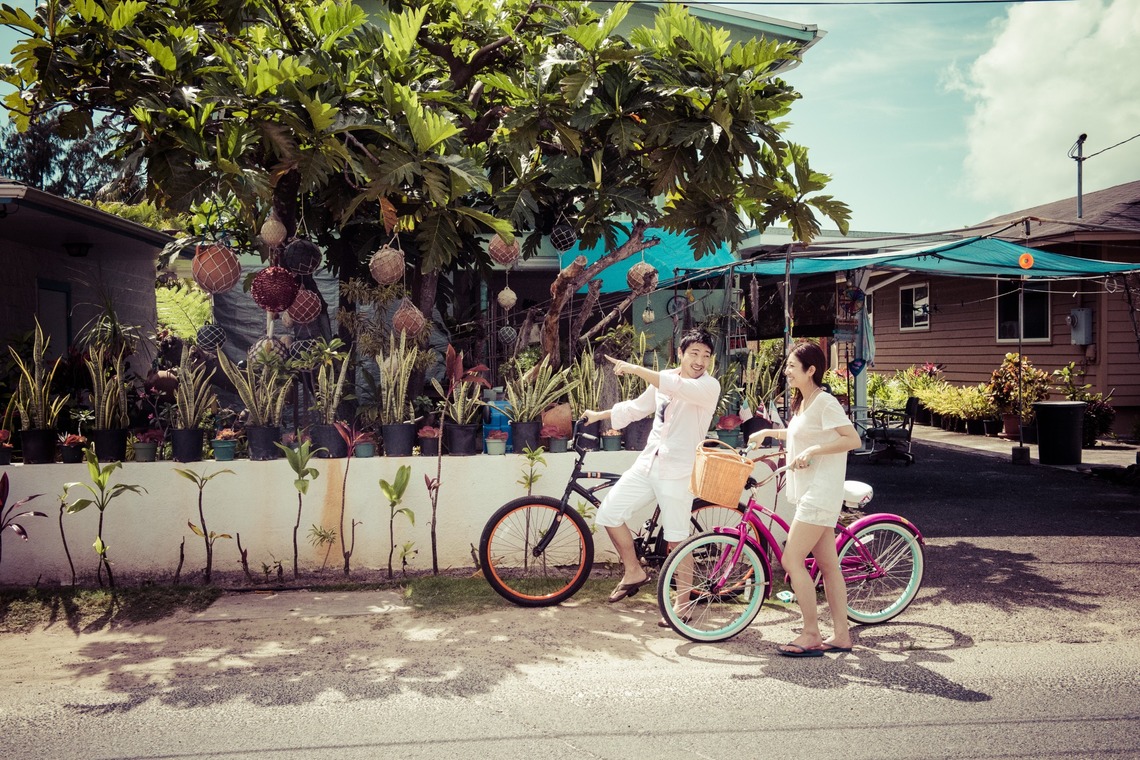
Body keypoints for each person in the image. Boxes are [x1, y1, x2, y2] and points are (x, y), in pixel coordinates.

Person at [583, 329, 720, 608]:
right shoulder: (665, 379)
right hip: (648, 463)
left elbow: (675, 386)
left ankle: (682, 605)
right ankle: (634, 571)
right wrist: (600, 415)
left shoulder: (709, 386)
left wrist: (634, 369)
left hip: (679, 471)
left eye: (706, 356)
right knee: (609, 513)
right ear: (680, 353)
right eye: (694, 353)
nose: (700, 361)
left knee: (677, 540)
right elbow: (637, 408)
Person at [748, 341, 862, 657]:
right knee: (829, 566)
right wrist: (768, 434)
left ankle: (811, 633)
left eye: (791, 366)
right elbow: (803, 434)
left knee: (791, 560)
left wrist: (814, 451)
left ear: (811, 370)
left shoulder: (825, 402)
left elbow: (852, 438)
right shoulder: (804, 402)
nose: (786, 371)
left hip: (820, 492)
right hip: (811, 490)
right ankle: (842, 636)